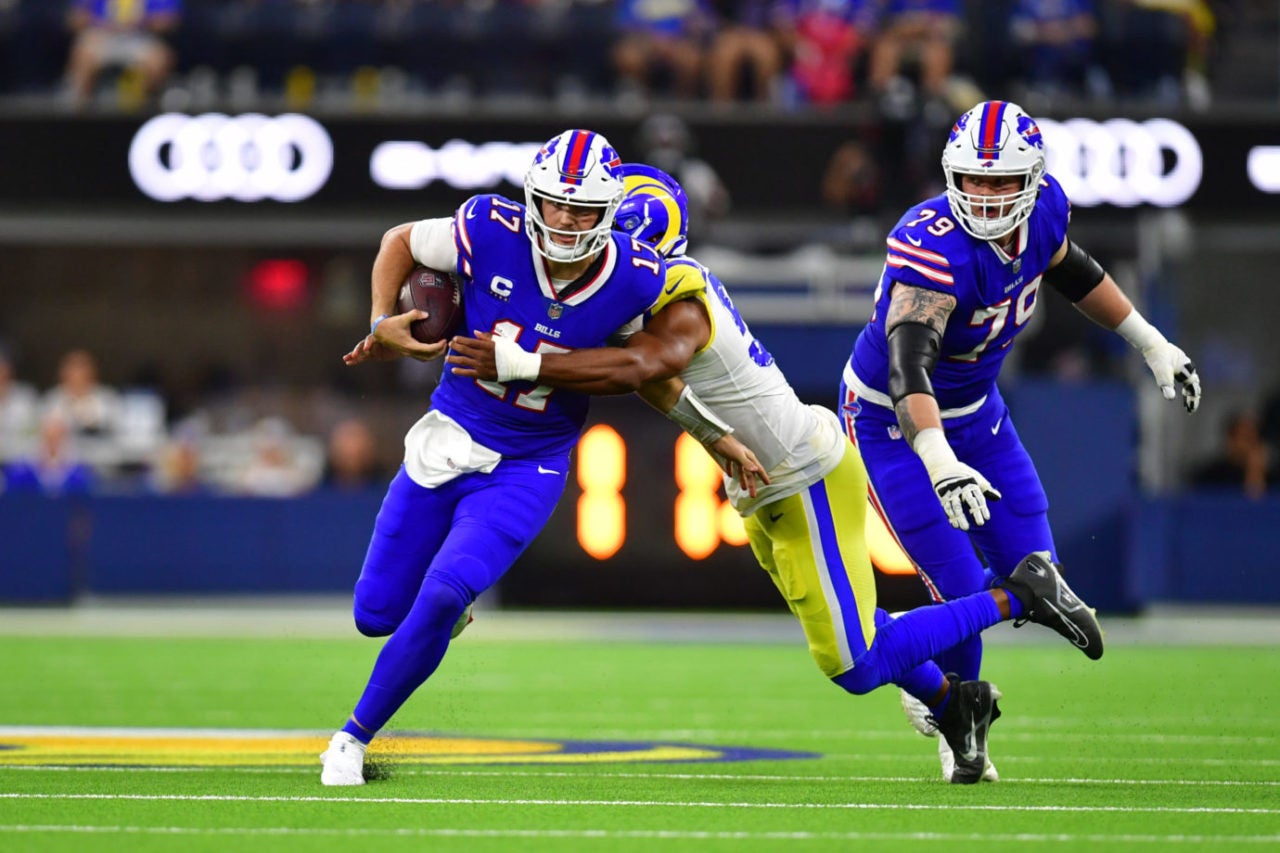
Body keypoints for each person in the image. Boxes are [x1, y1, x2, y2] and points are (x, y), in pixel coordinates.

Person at [447, 164, 1107, 784]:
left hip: (803, 475)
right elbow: (660, 384)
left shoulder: (676, 296)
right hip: (762, 482)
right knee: (848, 640)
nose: (581, 244)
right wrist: (715, 437)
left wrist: (522, 362)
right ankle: (955, 702)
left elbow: (636, 369)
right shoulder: (637, 296)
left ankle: (1020, 594)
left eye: (600, 230)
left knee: (852, 661)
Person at [324, 129, 746, 787]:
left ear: (608, 213)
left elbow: (647, 373)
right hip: (450, 433)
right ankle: (443, 614)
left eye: (581, 209)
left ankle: (352, 736)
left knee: (441, 592)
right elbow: (399, 242)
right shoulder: (488, 227)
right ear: (533, 197)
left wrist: (714, 436)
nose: (565, 219)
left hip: (531, 460)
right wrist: (381, 321)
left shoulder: (634, 278)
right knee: (375, 613)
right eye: (553, 203)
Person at [838, 100, 1201, 780]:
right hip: (895, 420)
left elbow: (1073, 271)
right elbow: (908, 363)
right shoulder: (931, 242)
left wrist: (1149, 342)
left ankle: (936, 674)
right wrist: (938, 458)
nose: (984, 195)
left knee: (1039, 567)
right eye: (972, 180)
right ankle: (954, 712)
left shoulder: (1044, 216)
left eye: (1001, 182)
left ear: (1031, 180)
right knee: (959, 585)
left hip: (979, 410)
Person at [64, 0, 183, 109]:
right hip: (101, 33)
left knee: (158, 60)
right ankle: (79, 111)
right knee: (83, 54)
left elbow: (168, 21)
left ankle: (142, 112)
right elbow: (75, 20)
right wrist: (100, 21)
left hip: (141, 35)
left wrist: (140, 21)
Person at [1190, 408, 1275, 499]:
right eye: (1246, 438)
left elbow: (1259, 505)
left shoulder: (1272, 477)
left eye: (1254, 438)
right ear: (1230, 440)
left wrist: (1255, 471)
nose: (1250, 444)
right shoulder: (1211, 476)